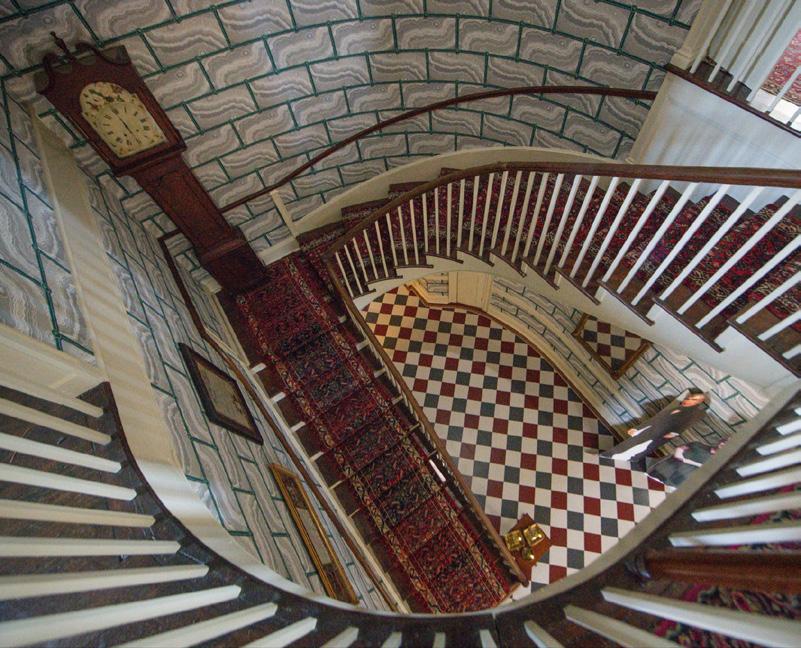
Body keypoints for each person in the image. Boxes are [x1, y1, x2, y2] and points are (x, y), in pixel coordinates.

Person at [600, 389, 708, 471]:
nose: (688, 400)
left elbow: (680, 427)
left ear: (699, 402)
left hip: (659, 434)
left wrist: (671, 434)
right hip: (652, 430)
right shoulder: (679, 408)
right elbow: (656, 420)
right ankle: (614, 456)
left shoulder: (691, 414)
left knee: (638, 447)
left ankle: (615, 458)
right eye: (689, 398)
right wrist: (638, 429)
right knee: (634, 444)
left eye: (693, 399)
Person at [647, 441, 717, 488]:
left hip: (680, 479)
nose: (722, 443)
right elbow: (681, 448)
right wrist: (679, 454)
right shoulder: (698, 444)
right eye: (722, 441)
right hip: (667, 468)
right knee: (647, 481)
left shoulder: (716, 461)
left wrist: (687, 461)